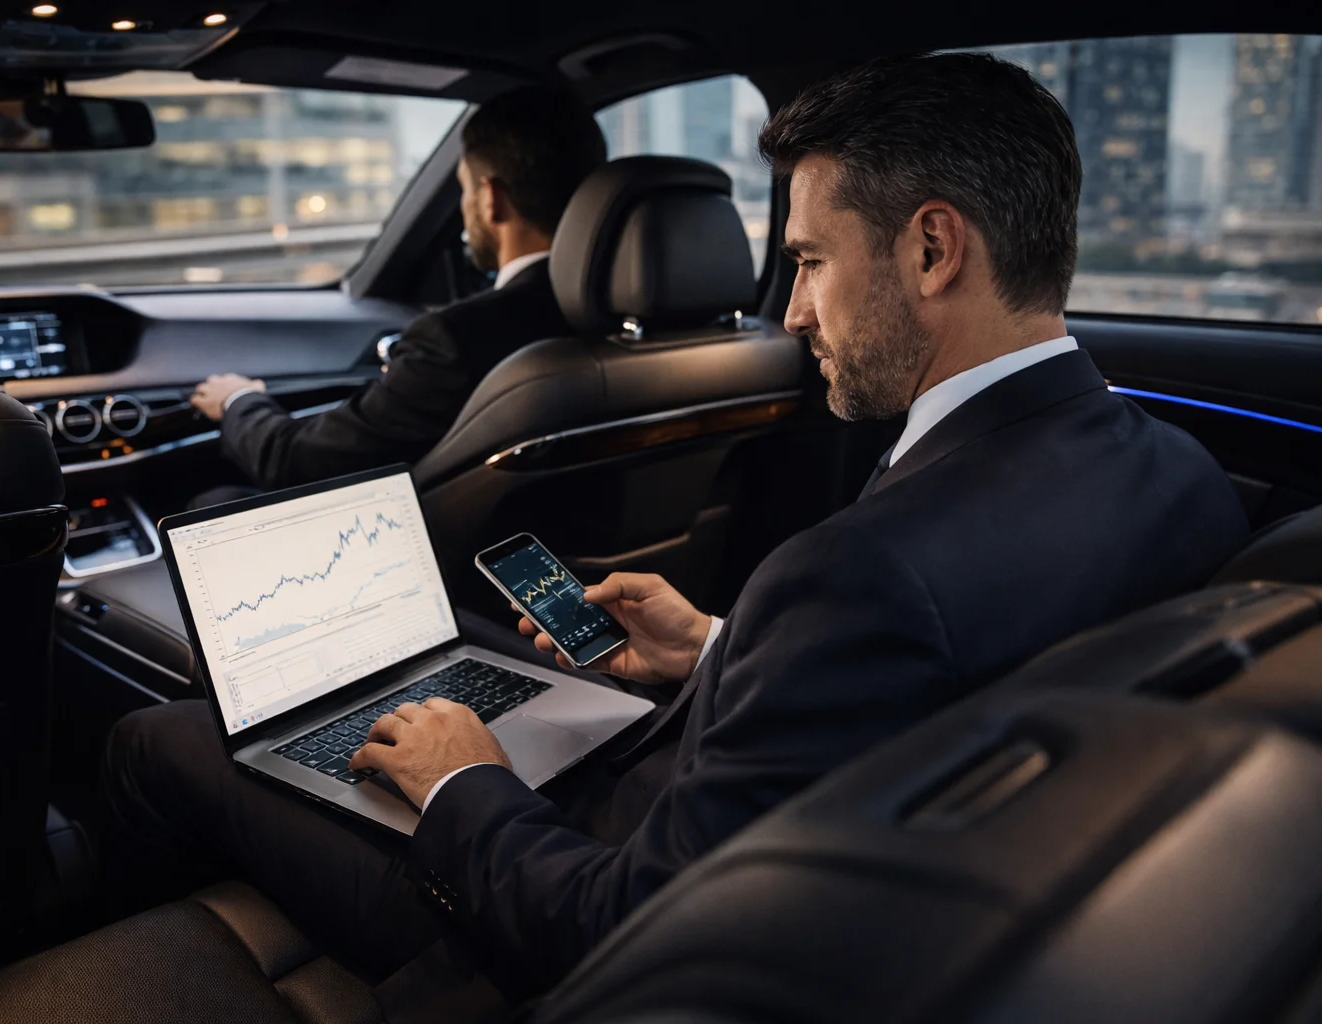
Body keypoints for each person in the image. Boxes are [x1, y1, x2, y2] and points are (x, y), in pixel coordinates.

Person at [105, 53, 1249, 1007]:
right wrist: (720, 649)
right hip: (893, 869)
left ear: (932, 249)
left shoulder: (863, 574)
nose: (793, 310)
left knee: (161, 735)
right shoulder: (1179, 476)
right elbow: (929, 689)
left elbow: (618, 929)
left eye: (807, 261)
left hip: (573, 890)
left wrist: (464, 783)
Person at [187, 87, 607, 493]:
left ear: (490, 197)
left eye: (463, 190)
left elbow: (298, 463)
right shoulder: (638, 317)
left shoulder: (459, 339)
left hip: (464, 553)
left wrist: (238, 400)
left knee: (215, 501)